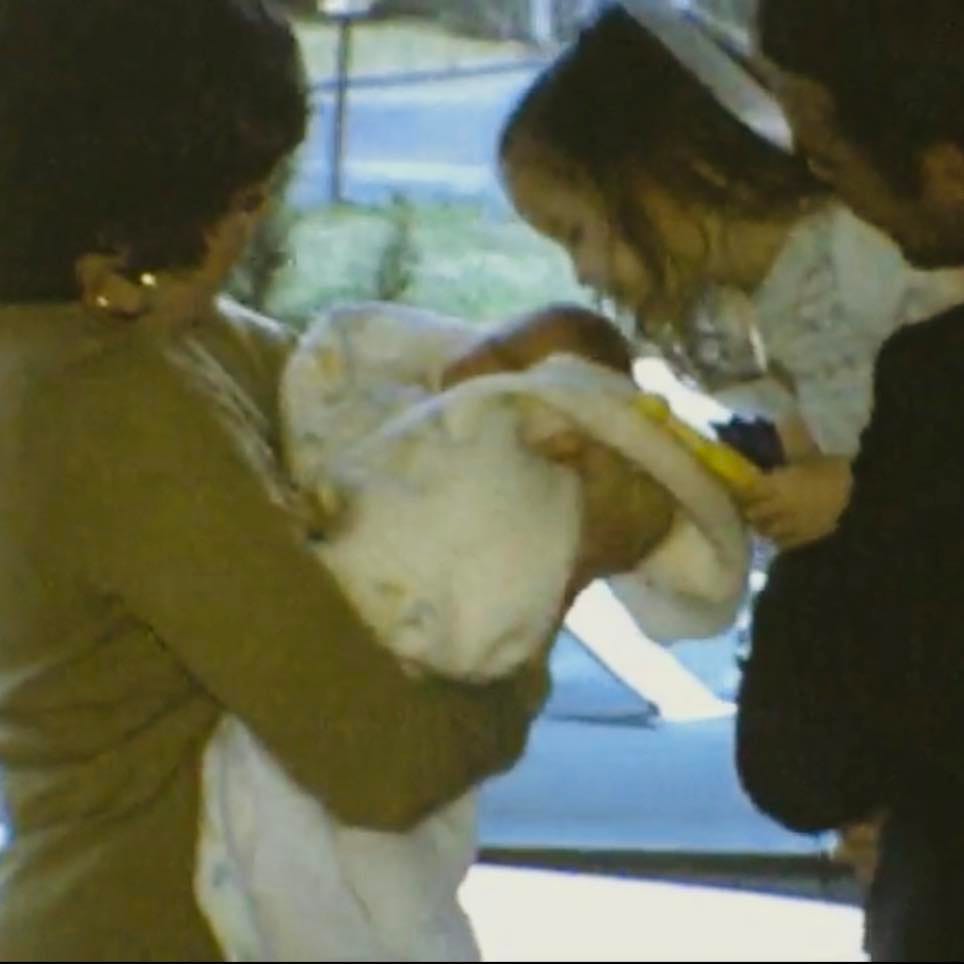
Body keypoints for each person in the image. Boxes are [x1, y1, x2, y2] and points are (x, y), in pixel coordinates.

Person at [0, 3, 660, 959]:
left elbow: (368, 390)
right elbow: (388, 764)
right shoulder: (108, 407)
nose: (254, 228)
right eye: (244, 200)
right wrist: (570, 565)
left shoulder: (123, 343)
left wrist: (522, 367)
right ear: (140, 227)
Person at [197, 300, 753, 961]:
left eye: (522, 368)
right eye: (500, 342)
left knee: (386, 886)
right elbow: (335, 436)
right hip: (352, 669)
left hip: (415, 678)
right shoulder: (401, 419)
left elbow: (506, 575)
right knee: (296, 850)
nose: (488, 369)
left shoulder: (534, 466)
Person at [496, 2, 964, 553]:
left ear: (673, 170)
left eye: (575, 233)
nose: (583, 272)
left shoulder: (863, 254)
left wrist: (851, 491)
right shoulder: (770, 297)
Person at [735, 1, 964, 959]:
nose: (829, 203)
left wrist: (809, 512)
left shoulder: (932, 391)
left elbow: (803, 761)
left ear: (948, 169)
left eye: (829, 166)